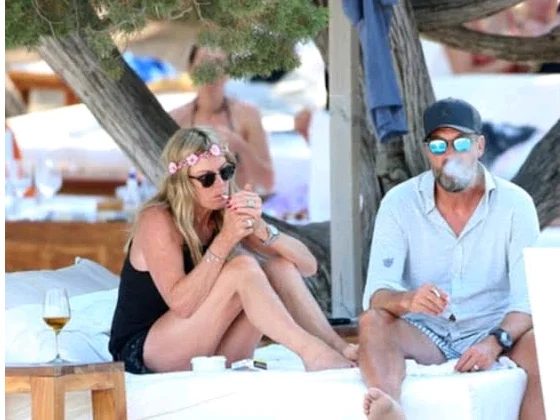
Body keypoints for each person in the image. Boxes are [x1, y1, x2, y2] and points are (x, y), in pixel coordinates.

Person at [108, 126, 357, 374]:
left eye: (225, 172)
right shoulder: (158, 219)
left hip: (208, 346)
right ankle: (312, 352)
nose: (221, 185)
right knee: (243, 268)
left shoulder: (223, 212)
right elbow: (182, 305)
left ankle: (337, 347)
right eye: (207, 179)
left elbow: (307, 266)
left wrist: (261, 228)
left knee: (278, 268)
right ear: (182, 183)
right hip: (149, 351)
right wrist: (226, 238)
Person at [358, 98, 545, 420]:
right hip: (426, 333)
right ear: (427, 151)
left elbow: (527, 302)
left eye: (460, 143)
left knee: (546, 345)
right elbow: (376, 294)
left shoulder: (516, 204)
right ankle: (389, 408)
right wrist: (407, 300)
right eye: (438, 145)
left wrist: (494, 342)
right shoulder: (399, 202)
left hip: (494, 328)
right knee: (372, 322)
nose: (449, 154)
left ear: (479, 146)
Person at [169, 45, 275, 196]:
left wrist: (240, 146)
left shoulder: (247, 115)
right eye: (204, 62)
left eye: (218, 63)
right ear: (191, 69)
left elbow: (268, 182)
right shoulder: (177, 119)